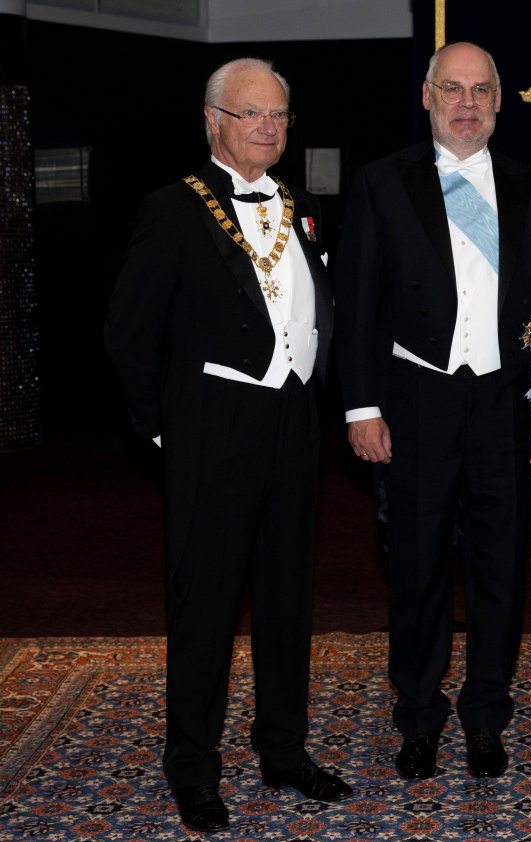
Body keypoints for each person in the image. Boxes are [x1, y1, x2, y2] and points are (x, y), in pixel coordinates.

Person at [104, 57, 352, 832]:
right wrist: (163, 428)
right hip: (212, 430)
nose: (268, 127)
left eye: (278, 114)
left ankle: (283, 749)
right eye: (251, 113)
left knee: (286, 599)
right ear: (213, 121)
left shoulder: (303, 205)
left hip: (293, 424)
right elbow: (127, 332)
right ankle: (193, 767)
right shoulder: (172, 208)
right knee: (206, 607)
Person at [334, 42, 531, 780]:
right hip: (415, 402)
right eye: (452, 89)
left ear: (499, 100)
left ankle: (486, 715)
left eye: (479, 90)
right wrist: (361, 407)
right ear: (428, 97)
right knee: (416, 566)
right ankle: (418, 715)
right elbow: (356, 305)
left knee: (501, 567)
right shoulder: (381, 183)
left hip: (504, 404)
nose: (466, 104)